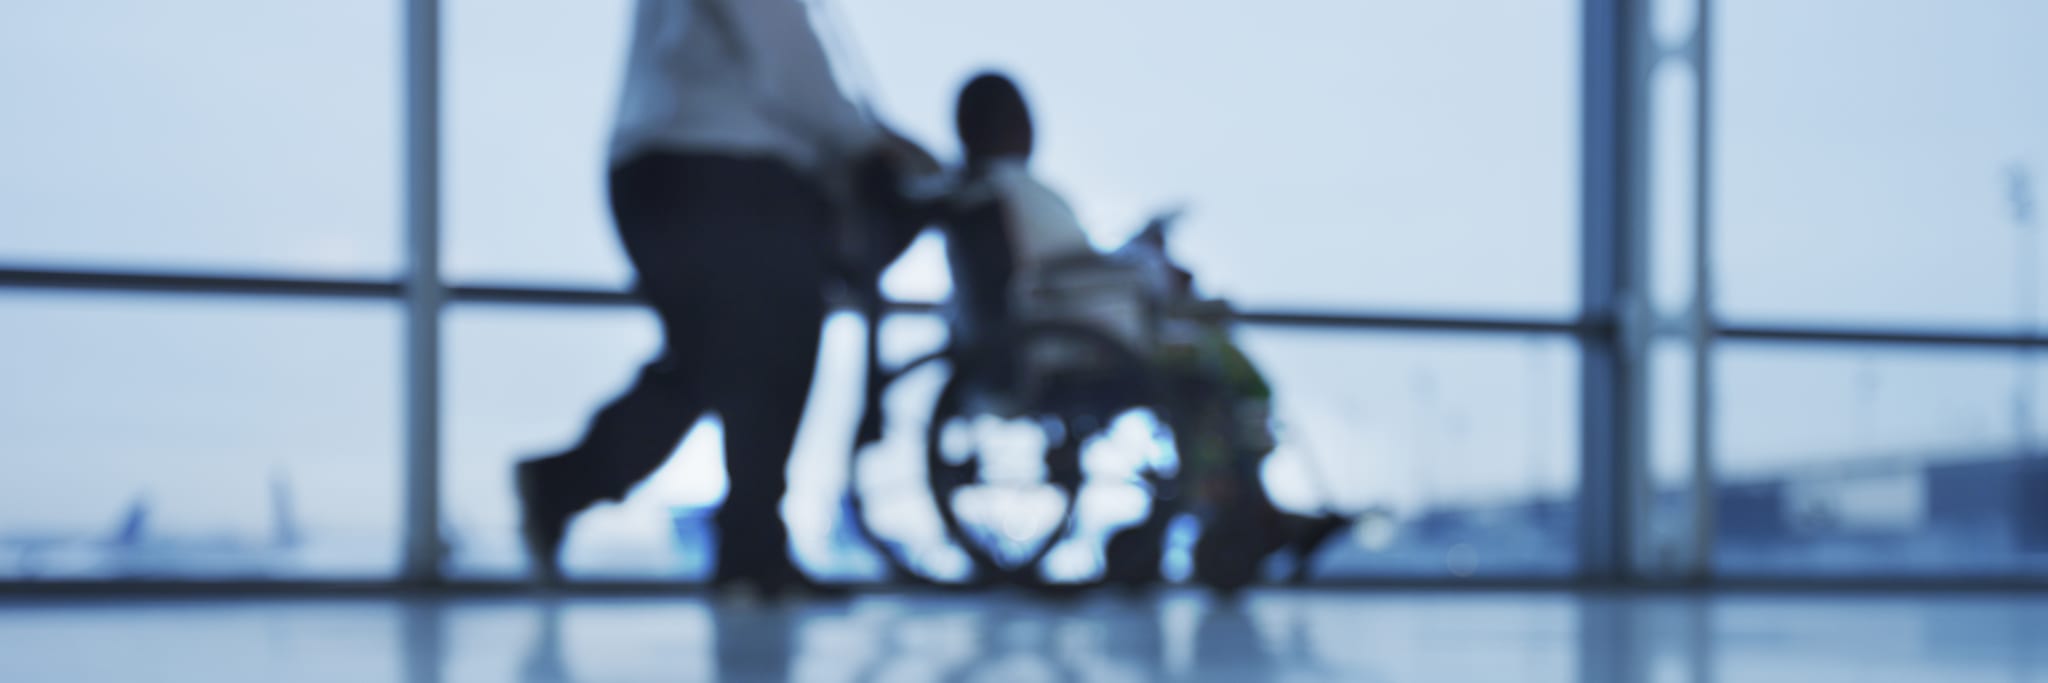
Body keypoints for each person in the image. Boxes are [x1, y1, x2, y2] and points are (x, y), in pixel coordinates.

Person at [515, 0, 918, 594]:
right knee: (768, 358)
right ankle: (747, 548)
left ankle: (575, 488)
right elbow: (788, 60)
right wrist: (867, 143)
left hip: (660, 168)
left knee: (713, 362)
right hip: (723, 170)